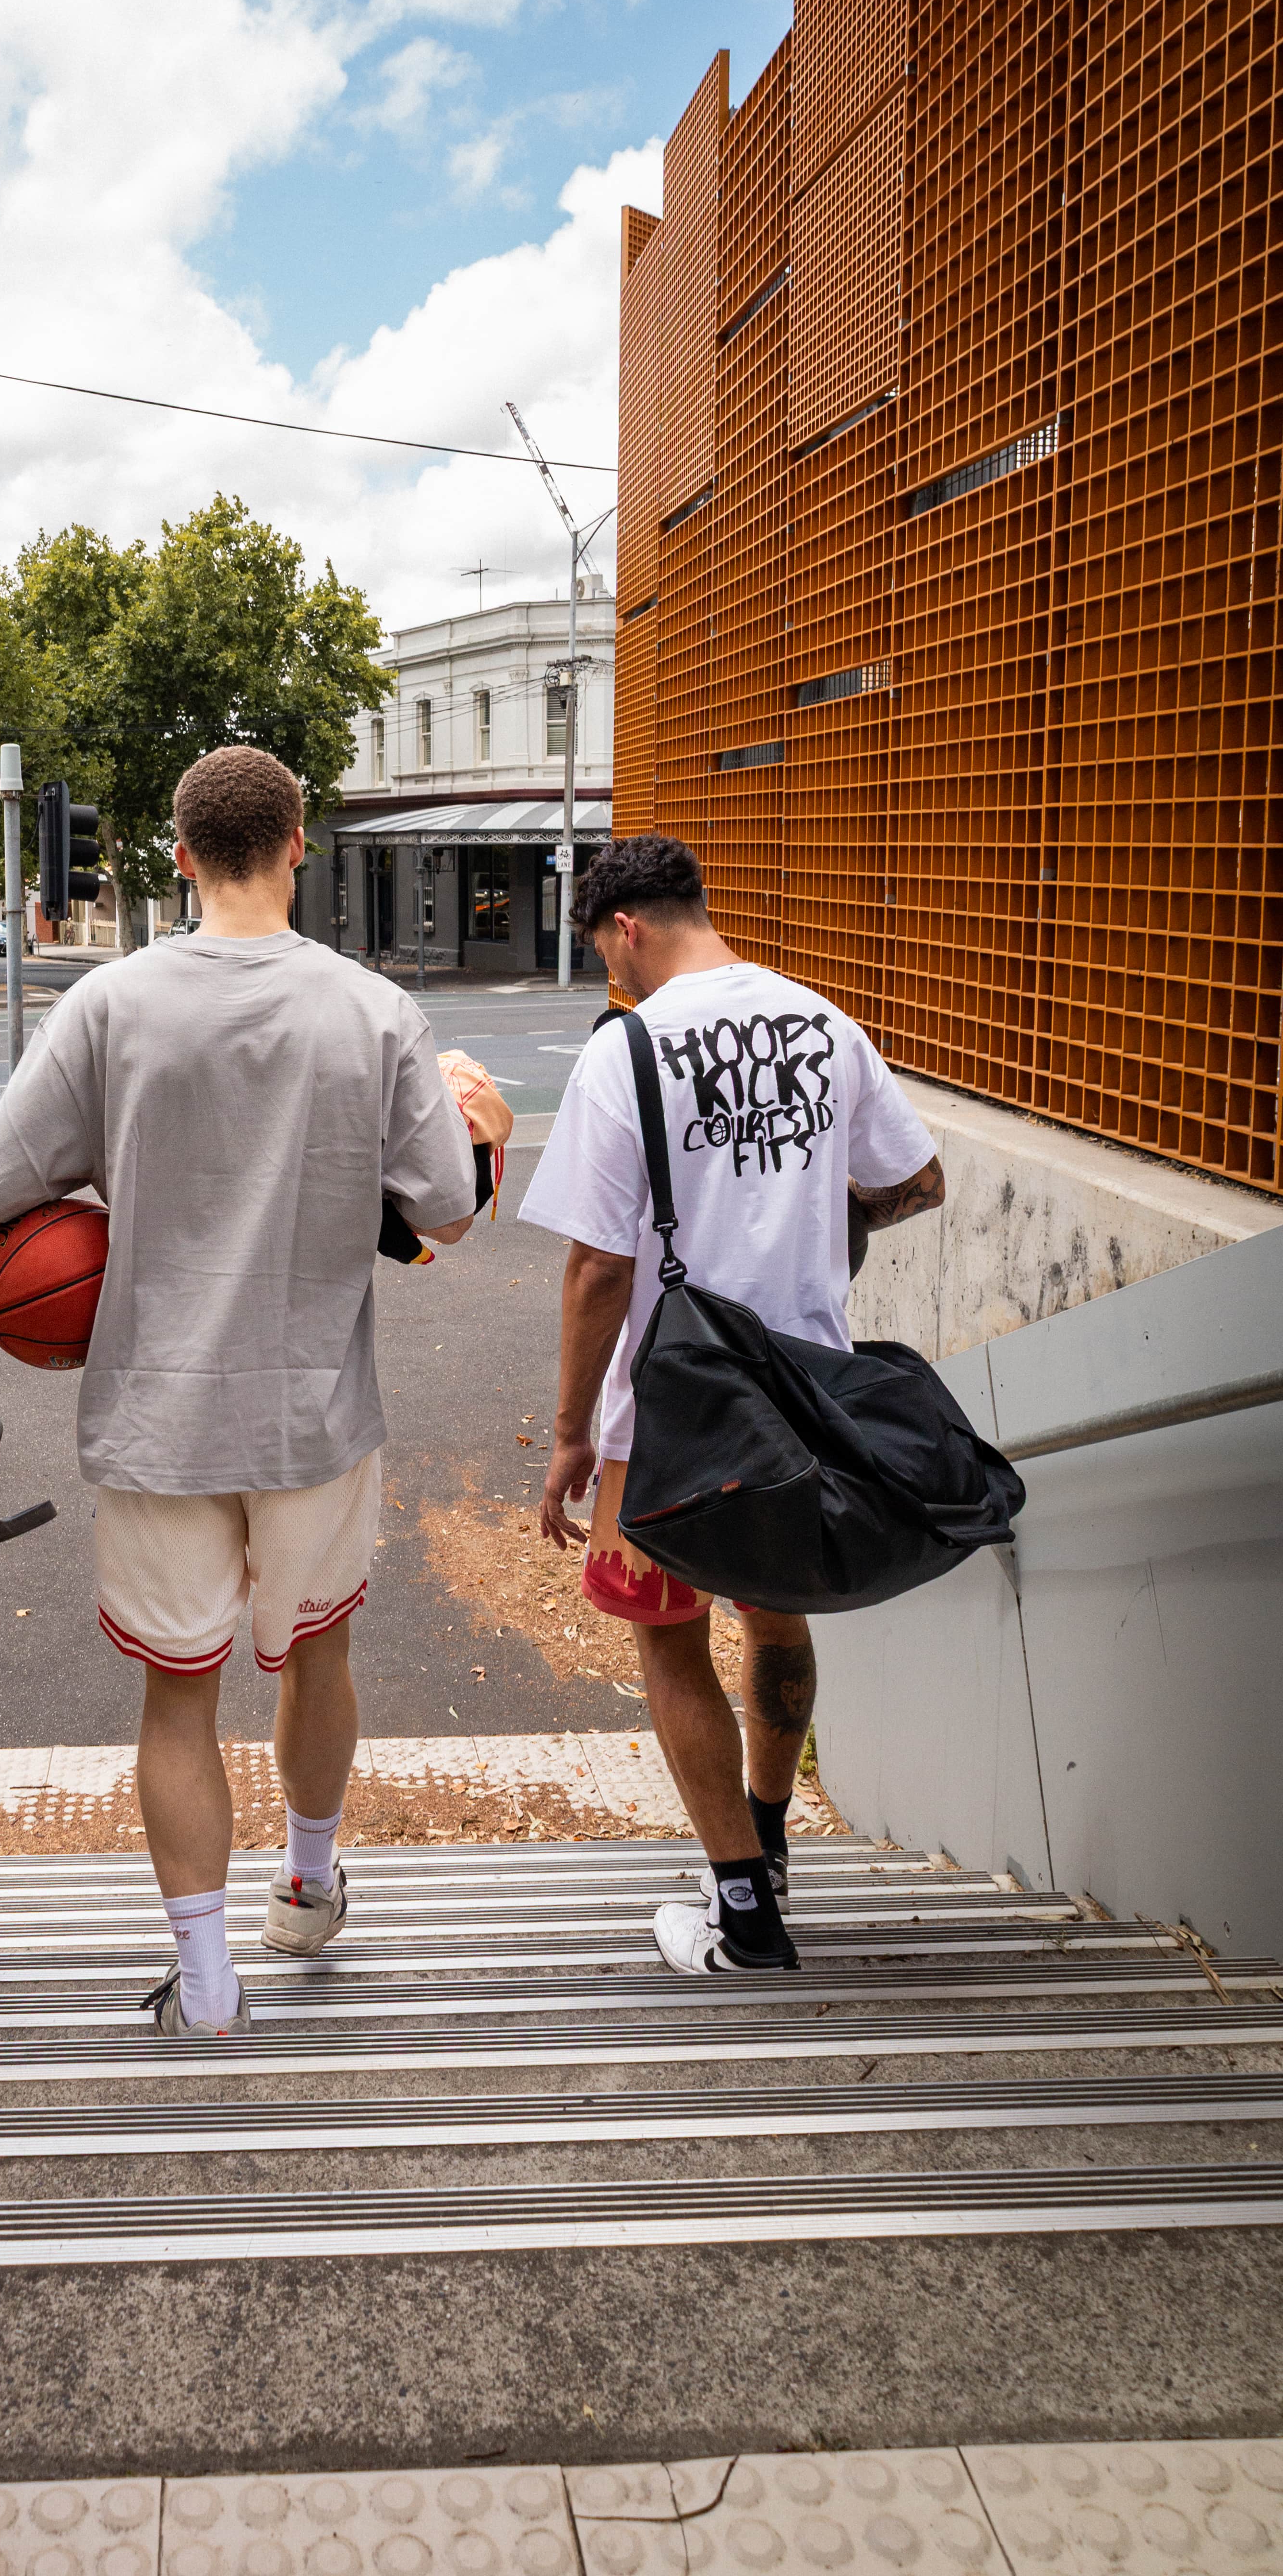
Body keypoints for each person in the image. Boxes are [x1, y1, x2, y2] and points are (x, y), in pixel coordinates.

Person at [0, 745, 477, 2036]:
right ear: (296, 848)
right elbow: (448, 1207)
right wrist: (473, 1119)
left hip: (157, 1417)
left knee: (179, 1692)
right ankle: (312, 1880)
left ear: (177, 857)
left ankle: (210, 1986)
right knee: (317, 1654)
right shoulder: (376, 1012)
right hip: (315, 1413)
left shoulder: (110, 1007)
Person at [519, 834, 945, 1976]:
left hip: (670, 1405)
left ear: (626, 931)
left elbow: (599, 1269)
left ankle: (744, 1917)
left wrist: (568, 1434)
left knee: (667, 1640)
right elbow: (917, 1181)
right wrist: (816, 1228)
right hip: (805, 1390)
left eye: (613, 961)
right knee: (774, 1614)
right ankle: (765, 1842)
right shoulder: (823, 1021)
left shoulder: (627, 1051)